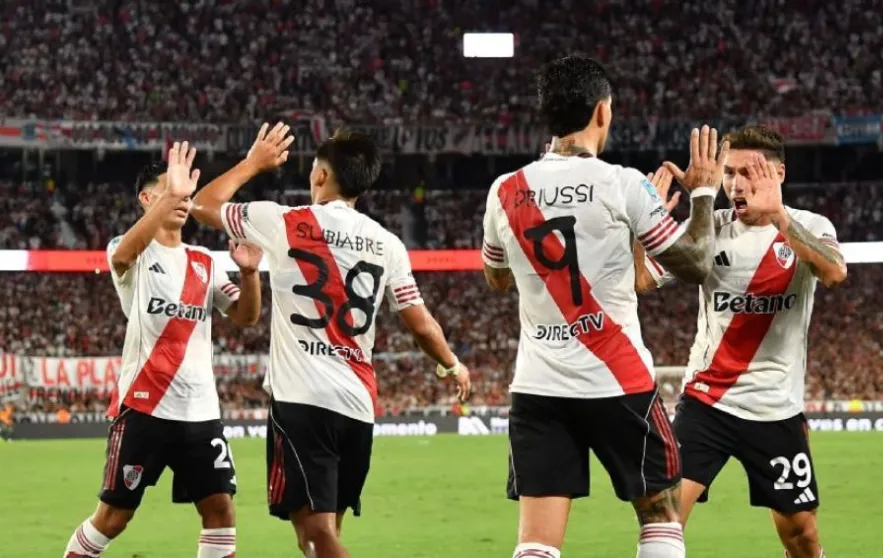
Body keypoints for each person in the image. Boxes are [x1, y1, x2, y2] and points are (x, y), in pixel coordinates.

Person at [189, 124, 471, 558]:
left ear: (320, 175)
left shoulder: (284, 221)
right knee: (324, 534)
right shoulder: (387, 244)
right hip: (357, 405)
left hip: (303, 401)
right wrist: (452, 364)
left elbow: (202, 204)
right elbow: (421, 325)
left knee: (315, 535)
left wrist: (253, 163)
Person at [481, 55, 724, 558]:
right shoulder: (623, 183)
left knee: (536, 543)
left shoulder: (505, 191)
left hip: (539, 387)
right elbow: (697, 263)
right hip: (619, 382)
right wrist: (703, 191)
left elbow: (497, 278)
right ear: (602, 112)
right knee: (661, 519)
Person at [63, 142, 263, 558]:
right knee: (113, 518)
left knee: (220, 511)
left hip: (200, 413)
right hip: (145, 407)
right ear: (146, 199)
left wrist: (249, 275)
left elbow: (246, 316)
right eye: (172, 193)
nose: (184, 201)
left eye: (186, 195)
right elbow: (122, 254)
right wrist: (172, 194)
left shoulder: (204, 262)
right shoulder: (129, 249)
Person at [670, 125, 847, 558]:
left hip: (775, 408)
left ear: (778, 174)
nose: (735, 184)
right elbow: (641, 279)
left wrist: (780, 218)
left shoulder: (810, 225)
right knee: (664, 517)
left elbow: (834, 272)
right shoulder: (708, 227)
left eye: (749, 172)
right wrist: (645, 226)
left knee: (802, 536)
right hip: (706, 402)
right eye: (728, 173)